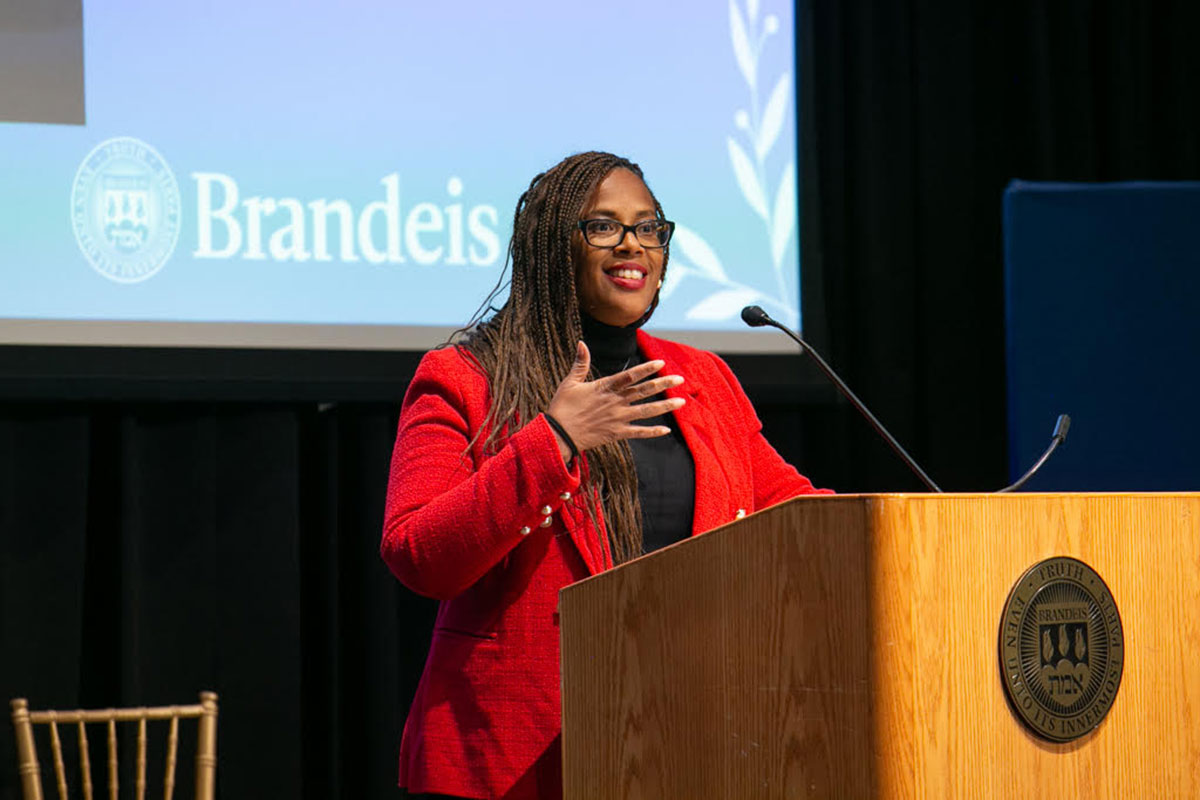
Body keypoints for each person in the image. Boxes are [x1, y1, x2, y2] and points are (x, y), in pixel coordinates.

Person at [380, 151, 830, 800]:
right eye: (604, 226)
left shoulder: (701, 379)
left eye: (650, 227)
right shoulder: (466, 377)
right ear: (552, 247)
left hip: (683, 741)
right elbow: (417, 554)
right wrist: (553, 439)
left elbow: (796, 508)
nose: (634, 245)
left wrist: (889, 524)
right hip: (514, 759)